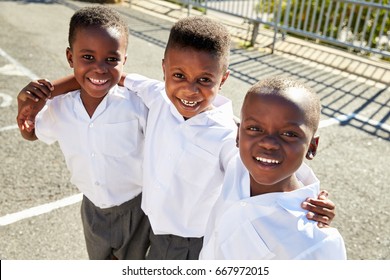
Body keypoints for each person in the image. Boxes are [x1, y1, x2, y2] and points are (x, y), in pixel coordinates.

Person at [17, 16, 335, 260]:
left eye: (205, 80)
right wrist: (43, 93)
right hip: (153, 228)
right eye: (179, 76)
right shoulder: (157, 95)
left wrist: (305, 198)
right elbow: (102, 76)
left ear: (223, 78)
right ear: (164, 69)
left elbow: (263, 162)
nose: (189, 89)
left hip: (189, 242)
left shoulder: (227, 135)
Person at [17, 6, 150, 260]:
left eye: (111, 60)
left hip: (137, 210)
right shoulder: (60, 107)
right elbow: (33, 133)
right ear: (70, 58)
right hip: (92, 210)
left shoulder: (135, 104)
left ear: (124, 61)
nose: (99, 69)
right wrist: (25, 120)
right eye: (87, 57)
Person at [199, 76, 347, 259]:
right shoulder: (236, 165)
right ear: (238, 135)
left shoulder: (318, 243)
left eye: (289, 133)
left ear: (312, 146)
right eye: (255, 129)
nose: (268, 144)